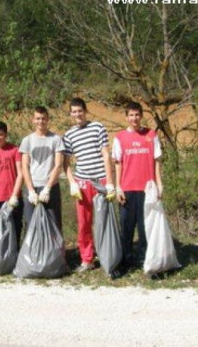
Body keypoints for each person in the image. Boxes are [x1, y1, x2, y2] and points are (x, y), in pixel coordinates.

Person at [63, 97, 115, 272]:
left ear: (85, 111)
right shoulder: (69, 135)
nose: (77, 114)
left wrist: (110, 182)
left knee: (104, 220)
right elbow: (66, 163)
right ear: (71, 114)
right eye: (74, 111)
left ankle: (108, 254)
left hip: (100, 180)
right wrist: (72, 183)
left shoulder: (98, 127)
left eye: (80, 111)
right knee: (84, 222)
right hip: (82, 182)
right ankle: (87, 259)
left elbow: (106, 155)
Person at [112, 101, 163, 268]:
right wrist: (118, 187)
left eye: (137, 114)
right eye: (131, 115)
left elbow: (157, 161)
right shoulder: (120, 138)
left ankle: (144, 259)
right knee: (126, 227)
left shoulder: (151, 135)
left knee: (144, 227)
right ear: (126, 117)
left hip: (146, 189)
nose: (134, 118)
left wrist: (159, 184)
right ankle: (126, 259)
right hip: (127, 189)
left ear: (141, 116)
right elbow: (118, 163)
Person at [20, 106, 65, 232]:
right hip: (32, 186)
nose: (41, 121)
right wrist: (30, 190)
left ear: (48, 119)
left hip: (51, 187)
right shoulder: (27, 140)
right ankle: (32, 252)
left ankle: (55, 252)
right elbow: (25, 166)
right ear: (33, 120)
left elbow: (58, 164)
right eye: (38, 118)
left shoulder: (56, 139)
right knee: (31, 225)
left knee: (54, 224)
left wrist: (48, 188)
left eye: (43, 118)